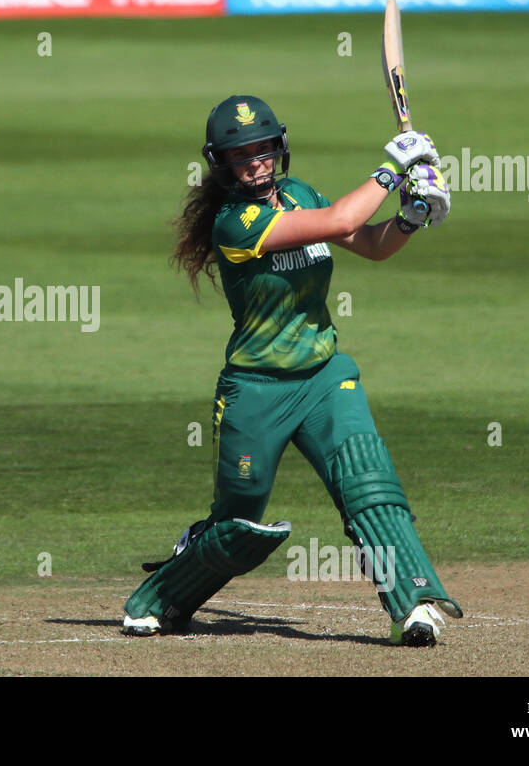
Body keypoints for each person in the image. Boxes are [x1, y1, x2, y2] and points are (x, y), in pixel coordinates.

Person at [122, 96, 462, 646]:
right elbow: (342, 219)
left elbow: (370, 243)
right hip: (256, 390)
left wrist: (410, 217)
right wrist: (394, 165)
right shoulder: (236, 223)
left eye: (262, 150)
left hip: (324, 376)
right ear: (222, 164)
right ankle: (159, 598)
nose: (255, 163)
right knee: (238, 526)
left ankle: (413, 604)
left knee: (368, 484)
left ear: (278, 148)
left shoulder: (300, 192)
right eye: (241, 155)